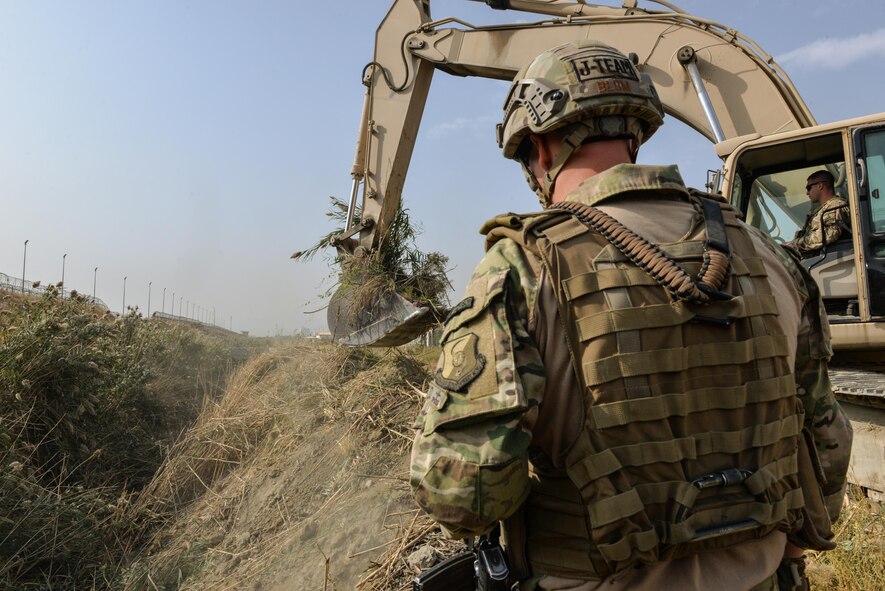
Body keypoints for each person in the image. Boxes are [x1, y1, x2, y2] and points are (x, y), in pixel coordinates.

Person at [410, 41, 852, 591]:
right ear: (635, 133)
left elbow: (463, 496)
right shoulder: (770, 256)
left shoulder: (523, 266)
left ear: (542, 149)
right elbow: (827, 438)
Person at [789, 170, 851, 257]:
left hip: (830, 259)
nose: (807, 193)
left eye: (809, 188)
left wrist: (795, 244)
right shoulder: (821, 209)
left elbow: (829, 234)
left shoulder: (836, 205)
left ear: (820, 186)